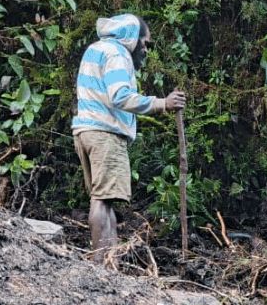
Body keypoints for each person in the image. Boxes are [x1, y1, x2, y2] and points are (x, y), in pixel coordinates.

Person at [71, 14, 186, 263]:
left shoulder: (96, 49)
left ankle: (109, 262)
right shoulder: (117, 53)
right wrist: (162, 103)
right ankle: (100, 265)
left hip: (86, 131)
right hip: (105, 134)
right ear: (131, 38)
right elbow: (120, 96)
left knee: (104, 200)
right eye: (144, 43)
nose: (145, 50)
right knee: (102, 201)